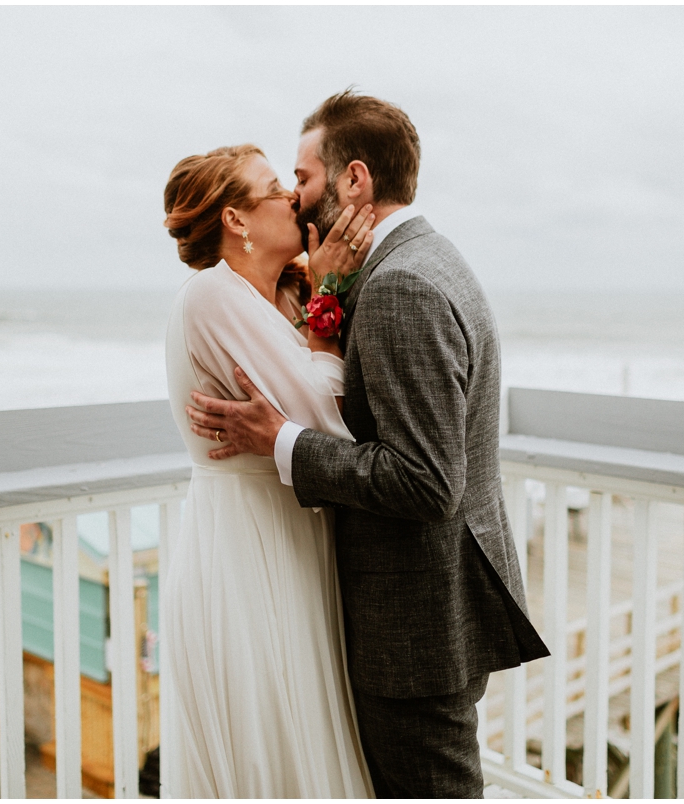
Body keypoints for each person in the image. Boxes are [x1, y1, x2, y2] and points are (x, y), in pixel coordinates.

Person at [186, 90, 550, 798]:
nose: (296, 196)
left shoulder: (401, 286)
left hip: (412, 624)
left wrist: (280, 439)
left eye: (305, 177)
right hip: (435, 604)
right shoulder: (426, 258)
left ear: (356, 179)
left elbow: (425, 480)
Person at [161, 143, 379, 797]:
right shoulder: (210, 297)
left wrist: (315, 290)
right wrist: (326, 306)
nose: (294, 198)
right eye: (275, 189)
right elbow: (323, 424)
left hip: (286, 542)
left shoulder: (276, 296)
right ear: (237, 219)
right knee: (268, 753)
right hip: (245, 553)